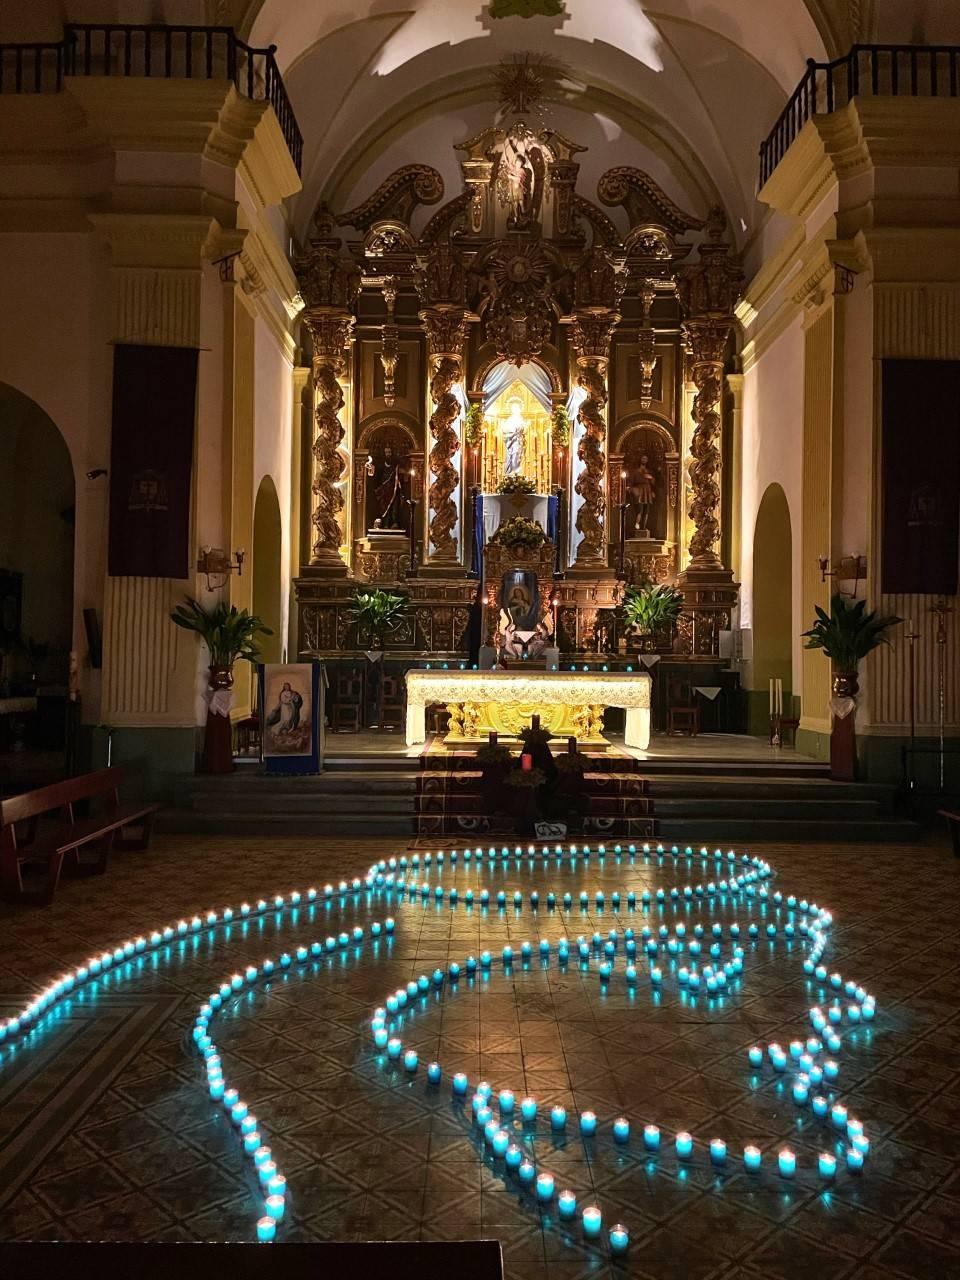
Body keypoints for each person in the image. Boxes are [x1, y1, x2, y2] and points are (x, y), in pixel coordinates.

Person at [503, 398, 527, 475]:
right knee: (511, 455)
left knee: (517, 455)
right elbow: (505, 430)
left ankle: (517, 473)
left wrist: (520, 431)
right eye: (514, 408)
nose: (516, 410)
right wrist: (513, 433)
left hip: (518, 441)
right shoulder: (509, 420)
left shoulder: (521, 419)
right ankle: (511, 473)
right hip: (511, 441)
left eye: (517, 408)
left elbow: (524, 430)